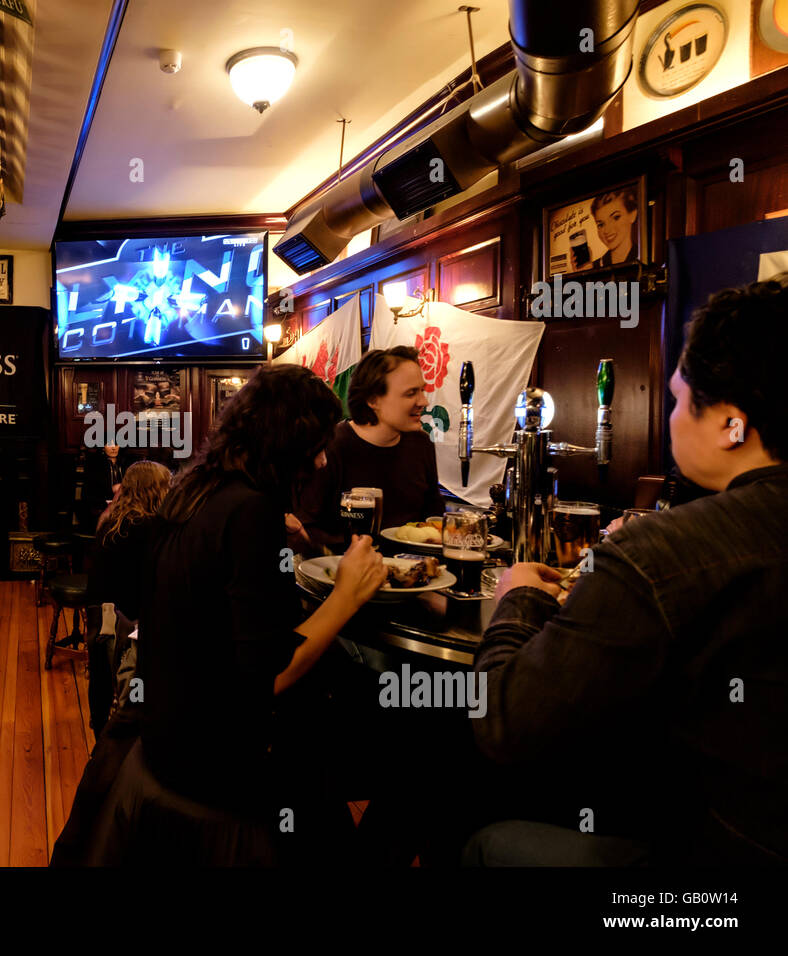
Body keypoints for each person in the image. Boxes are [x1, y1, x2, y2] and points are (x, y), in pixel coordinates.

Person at [468, 279, 788, 865]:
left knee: (486, 830)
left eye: (675, 400)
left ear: (730, 424)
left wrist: (518, 599)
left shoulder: (662, 553)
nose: (670, 420)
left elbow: (504, 721)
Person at [64, 364, 387, 866]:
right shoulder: (251, 510)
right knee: (397, 763)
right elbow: (271, 674)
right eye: (316, 447)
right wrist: (348, 594)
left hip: (167, 737)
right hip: (218, 765)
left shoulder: (195, 489)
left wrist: (286, 552)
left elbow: (213, 610)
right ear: (285, 442)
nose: (322, 462)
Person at [291, 346, 445, 556]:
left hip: (412, 575)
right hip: (341, 575)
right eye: (411, 393)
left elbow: (433, 517)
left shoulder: (421, 443)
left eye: (422, 391)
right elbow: (305, 525)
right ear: (373, 400)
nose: (423, 402)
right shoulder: (332, 445)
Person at [83, 460, 171, 735]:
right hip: (126, 620)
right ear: (155, 489)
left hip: (100, 612)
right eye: (168, 486)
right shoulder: (149, 527)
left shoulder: (110, 521)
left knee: (100, 677)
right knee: (131, 689)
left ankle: (99, 735)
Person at [589, 188, 638, 269]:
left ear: (633, 215)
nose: (607, 230)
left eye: (616, 217)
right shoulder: (594, 267)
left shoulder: (644, 260)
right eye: (601, 224)